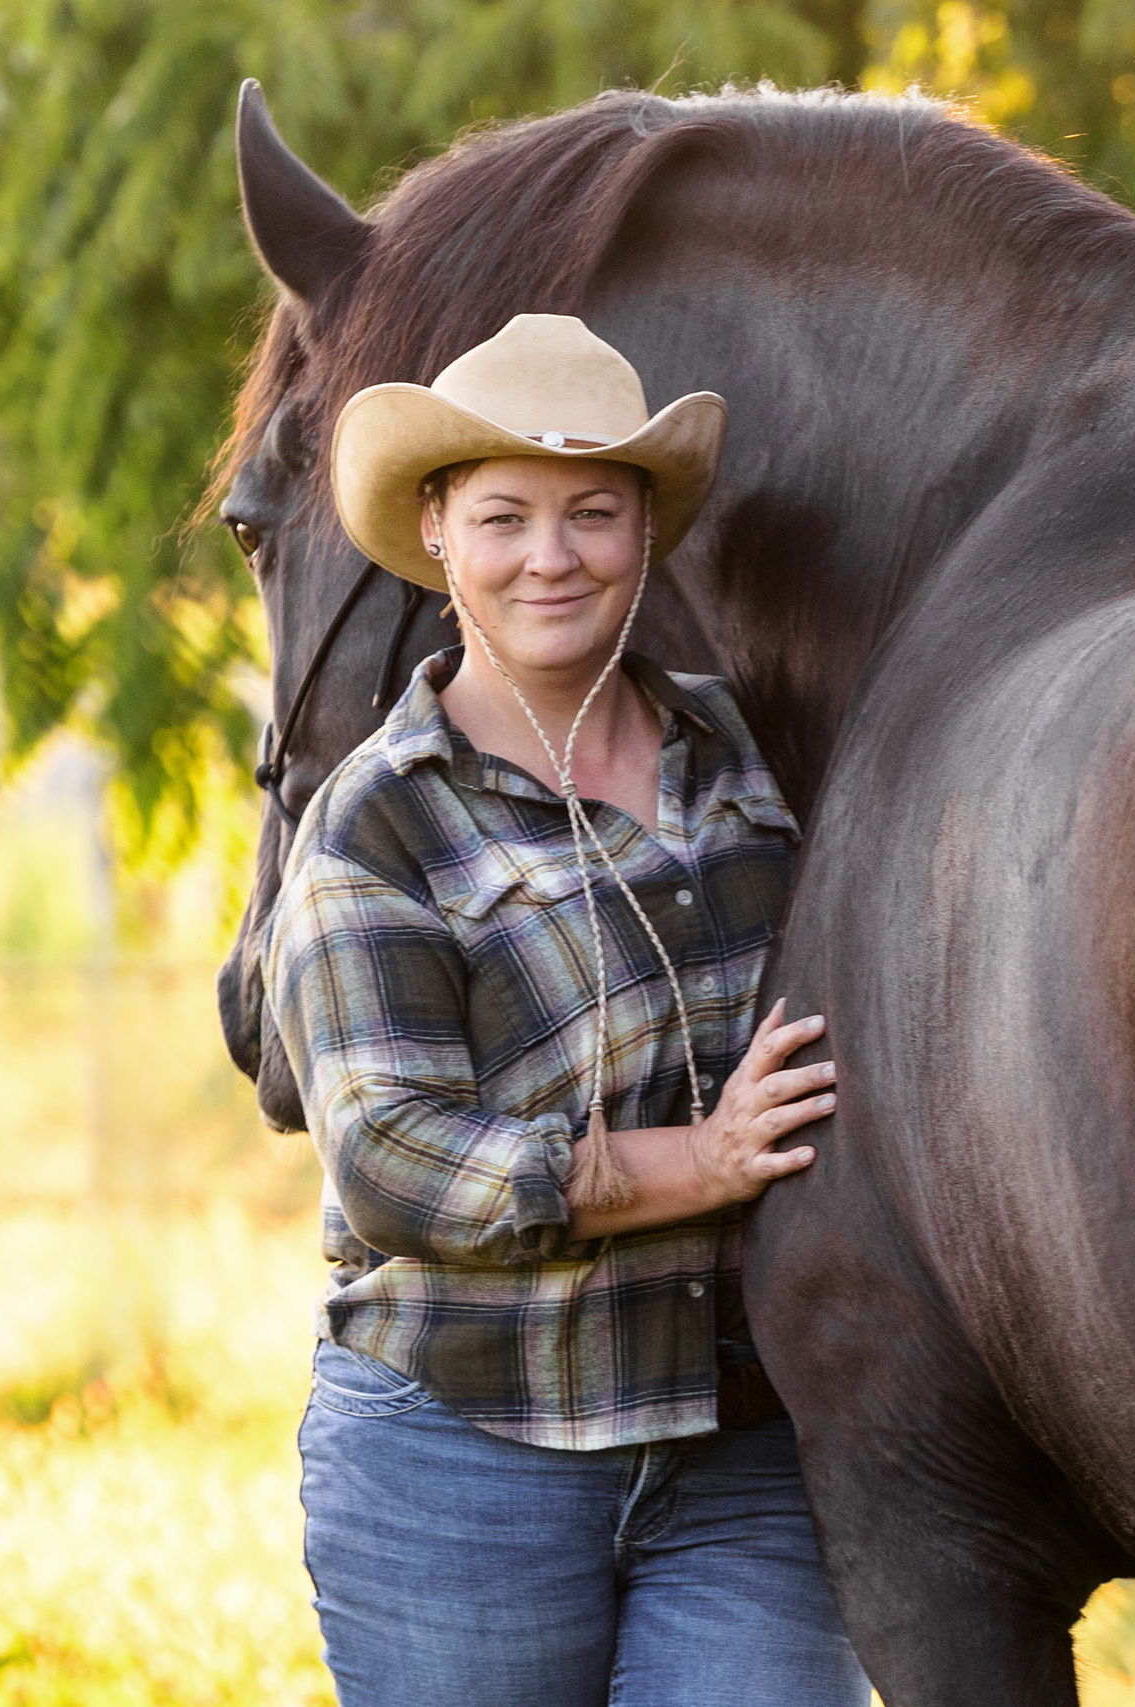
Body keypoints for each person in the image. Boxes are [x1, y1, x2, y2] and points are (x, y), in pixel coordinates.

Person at [265, 313, 868, 1707]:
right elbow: (394, 1157)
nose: (555, 555)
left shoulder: (751, 760)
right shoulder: (378, 823)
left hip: (747, 1449)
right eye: (507, 516)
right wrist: (701, 1165)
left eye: (595, 512)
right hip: (465, 1457)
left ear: (644, 533)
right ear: (437, 534)